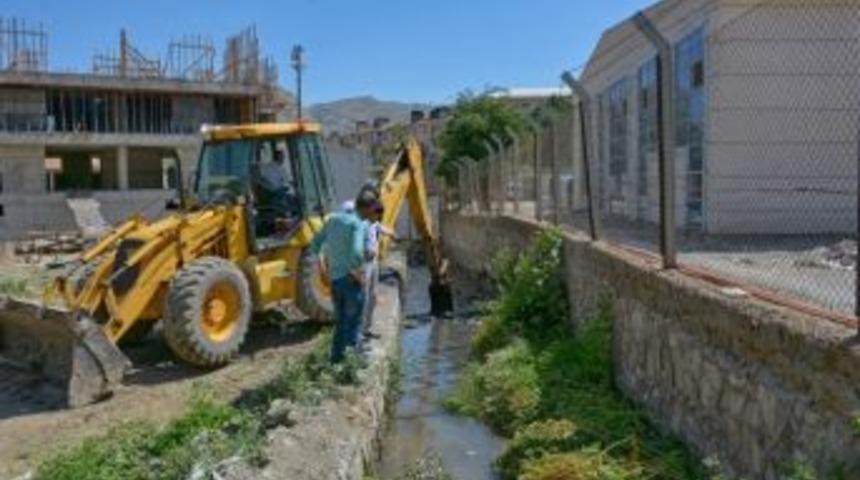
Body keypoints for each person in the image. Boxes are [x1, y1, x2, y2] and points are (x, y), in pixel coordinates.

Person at [310, 191, 376, 363]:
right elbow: (356, 251)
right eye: (373, 209)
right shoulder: (357, 224)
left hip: (335, 280)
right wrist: (357, 269)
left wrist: (325, 262)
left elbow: (315, 244)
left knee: (340, 323)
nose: (373, 213)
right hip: (350, 280)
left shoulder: (332, 220)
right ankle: (352, 364)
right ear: (368, 208)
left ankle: (336, 360)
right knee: (353, 322)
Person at [361, 200, 395, 343]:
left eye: (379, 215)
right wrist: (365, 251)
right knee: (364, 297)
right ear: (371, 212)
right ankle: (360, 331)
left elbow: (384, 229)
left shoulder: (375, 224)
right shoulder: (362, 226)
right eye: (377, 214)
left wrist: (393, 234)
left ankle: (367, 329)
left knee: (373, 296)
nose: (378, 217)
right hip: (364, 265)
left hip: (374, 263)